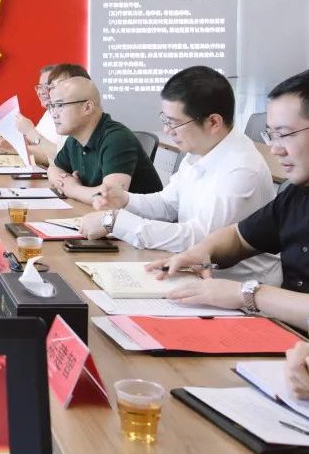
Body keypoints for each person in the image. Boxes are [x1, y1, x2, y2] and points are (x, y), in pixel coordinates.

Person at [76, 66, 280, 284]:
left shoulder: (242, 169)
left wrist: (114, 222)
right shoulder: (200, 151)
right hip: (194, 273)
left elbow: (200, 240)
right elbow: (168, 204)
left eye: (175, 123)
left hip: (236, 285)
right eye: (165, 120)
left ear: (213, 122)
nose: (167, 130)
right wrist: (125, 200)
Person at [151, 69, 309, 329]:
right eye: (270, 135)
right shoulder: (297, 194)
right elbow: (239, 237)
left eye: (284, 134)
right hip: (286, 335)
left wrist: (246, 294)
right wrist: (202, 252)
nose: (274, 149)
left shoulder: (243, 166)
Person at [47, 77, 163, 203]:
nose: (53, 114)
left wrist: (72, 189)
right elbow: (53, 168)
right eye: (52, 106)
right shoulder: (74, 139)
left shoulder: (117, 138)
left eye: (60, 105)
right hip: (98, 212)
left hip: (134, 215)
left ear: (87, 107)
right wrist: (64, 182)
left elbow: (111, 197)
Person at [0, 64, 90, 161]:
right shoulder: (50, 112)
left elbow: (60, 157)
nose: (41, 92)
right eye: (40, 87)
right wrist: (9, 140)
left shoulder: (75, 117)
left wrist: (28, 134)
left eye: (48, 86)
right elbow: (40, 145)